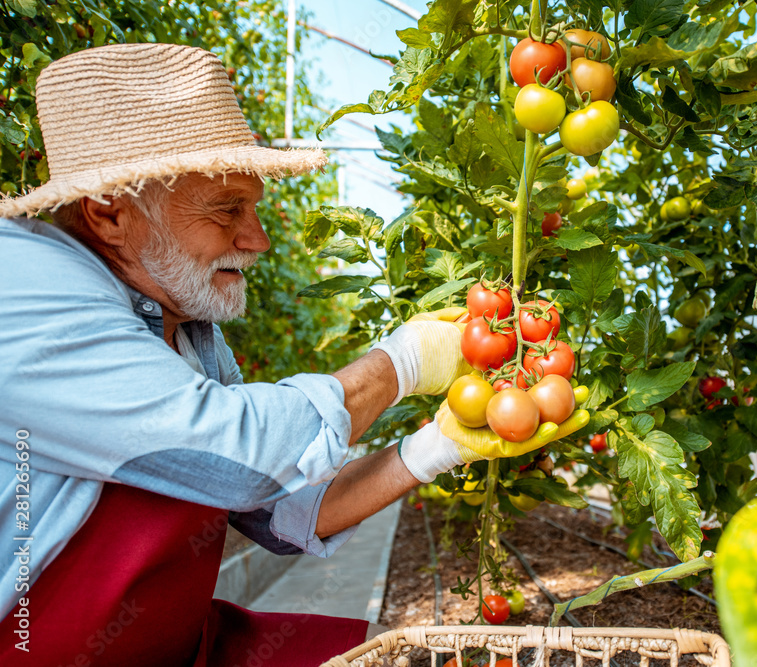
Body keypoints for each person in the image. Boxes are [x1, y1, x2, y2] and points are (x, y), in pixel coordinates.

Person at [0, 43, 586, 667]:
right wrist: (400, 365)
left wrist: (433, 449)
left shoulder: (186, 327)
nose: (259, 240)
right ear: (109, 212)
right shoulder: (21, 284)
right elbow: (237, 457)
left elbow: (278, 507)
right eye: (227, 211)